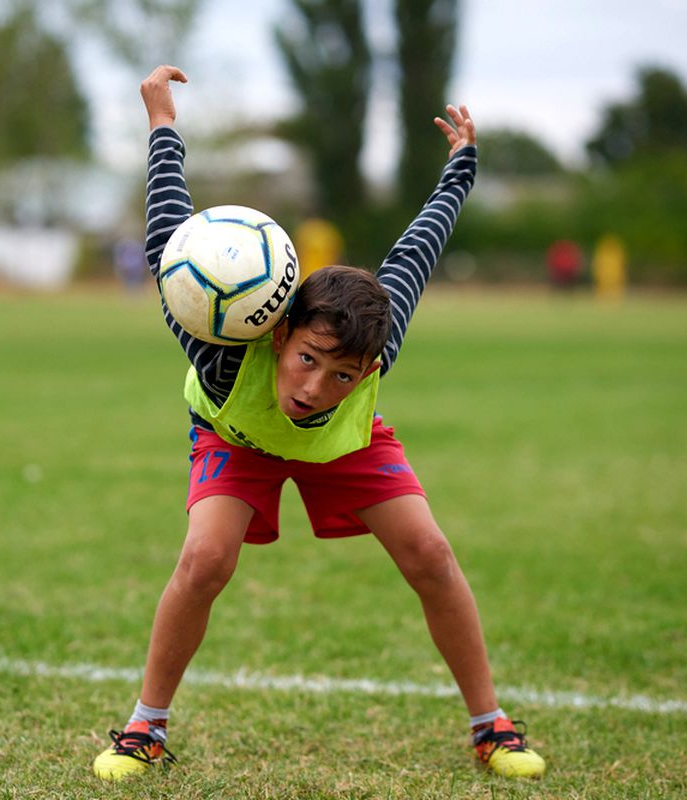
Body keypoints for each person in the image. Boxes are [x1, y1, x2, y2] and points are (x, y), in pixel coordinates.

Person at [93, 64, 546, 782]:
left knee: (430, 553)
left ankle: (490, 725)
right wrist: (162, 125)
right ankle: (145, 727)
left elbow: (417, 253)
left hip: (345, 447)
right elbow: (166, 242)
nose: (316, 384)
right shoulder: (221, 349)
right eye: (308, 359)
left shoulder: (375, 340)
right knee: (205, 560)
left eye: (343, 374)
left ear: (368, 366)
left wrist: (460, 167)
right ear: (280, 336)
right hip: (234, 435)